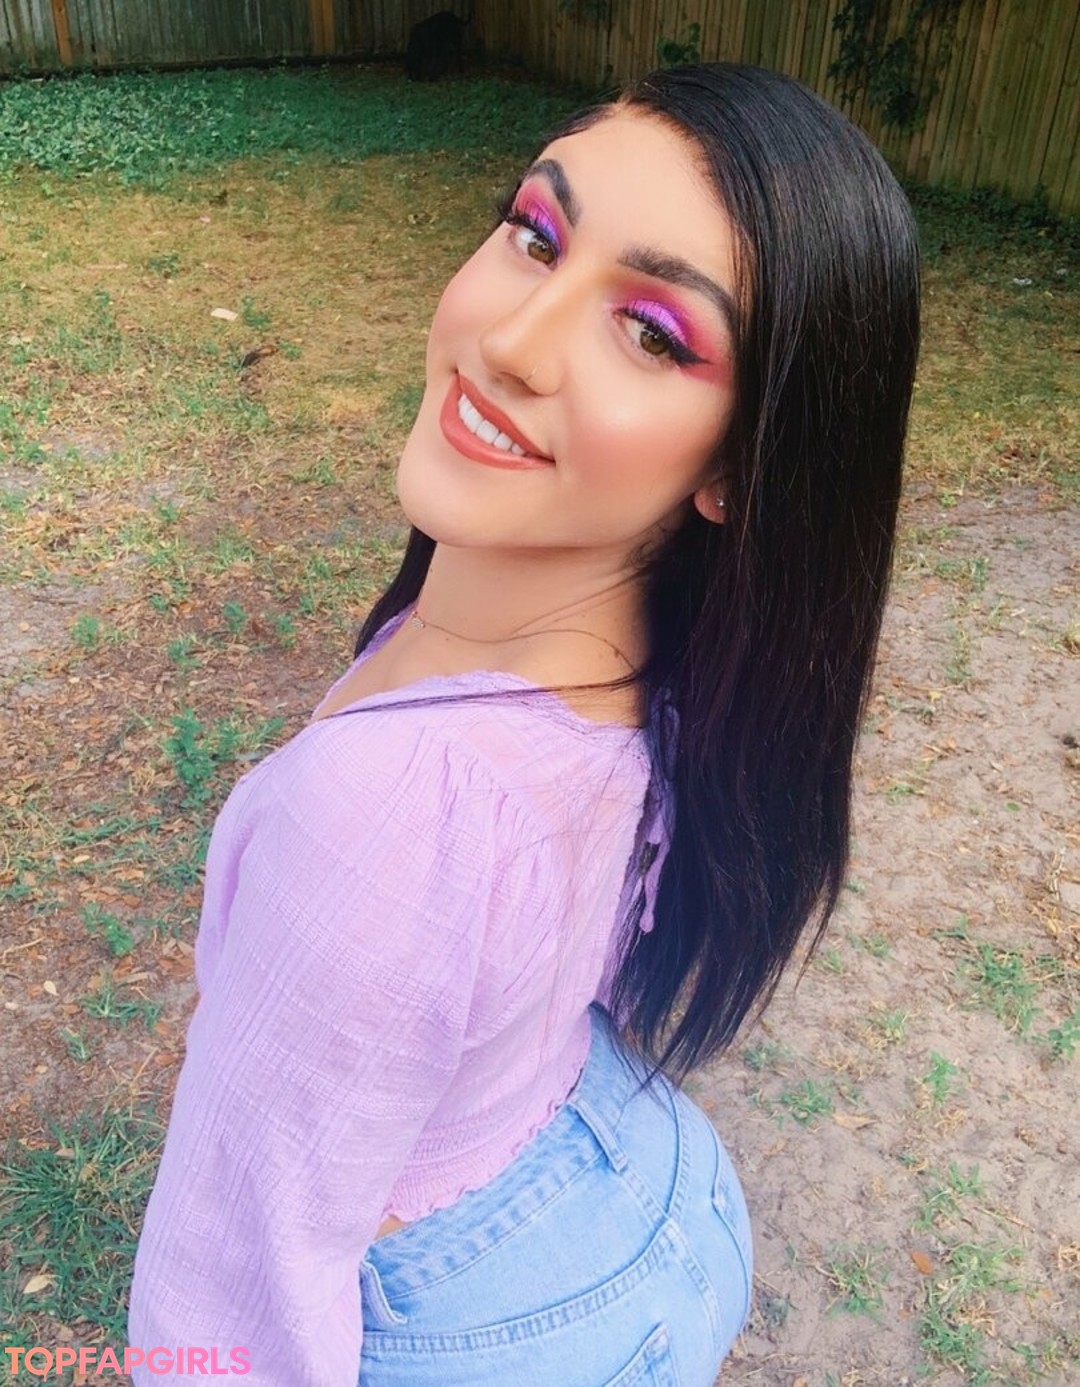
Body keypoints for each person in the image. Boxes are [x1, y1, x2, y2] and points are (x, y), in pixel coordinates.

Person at [128, 62, 919, 1386]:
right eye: (539, 235)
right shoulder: (674, 665)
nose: (513, 340)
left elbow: (226, 1316)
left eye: (652, 331)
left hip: (490, 1320)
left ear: (743, 464)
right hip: (653, 1194)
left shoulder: (387, 816)